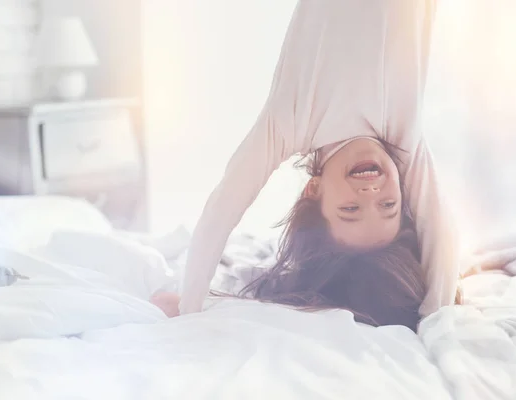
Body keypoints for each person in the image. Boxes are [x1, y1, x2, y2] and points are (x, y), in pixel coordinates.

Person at [153, 0, 460, 324]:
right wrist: (435, 316)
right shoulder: (404, 134)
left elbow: (222, 209)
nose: (370, 193)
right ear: (403, 188)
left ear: (313, 190)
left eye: (351, 210)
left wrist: (189, 305)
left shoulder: (290, 121)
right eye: (388, 206)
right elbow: (440, 228)